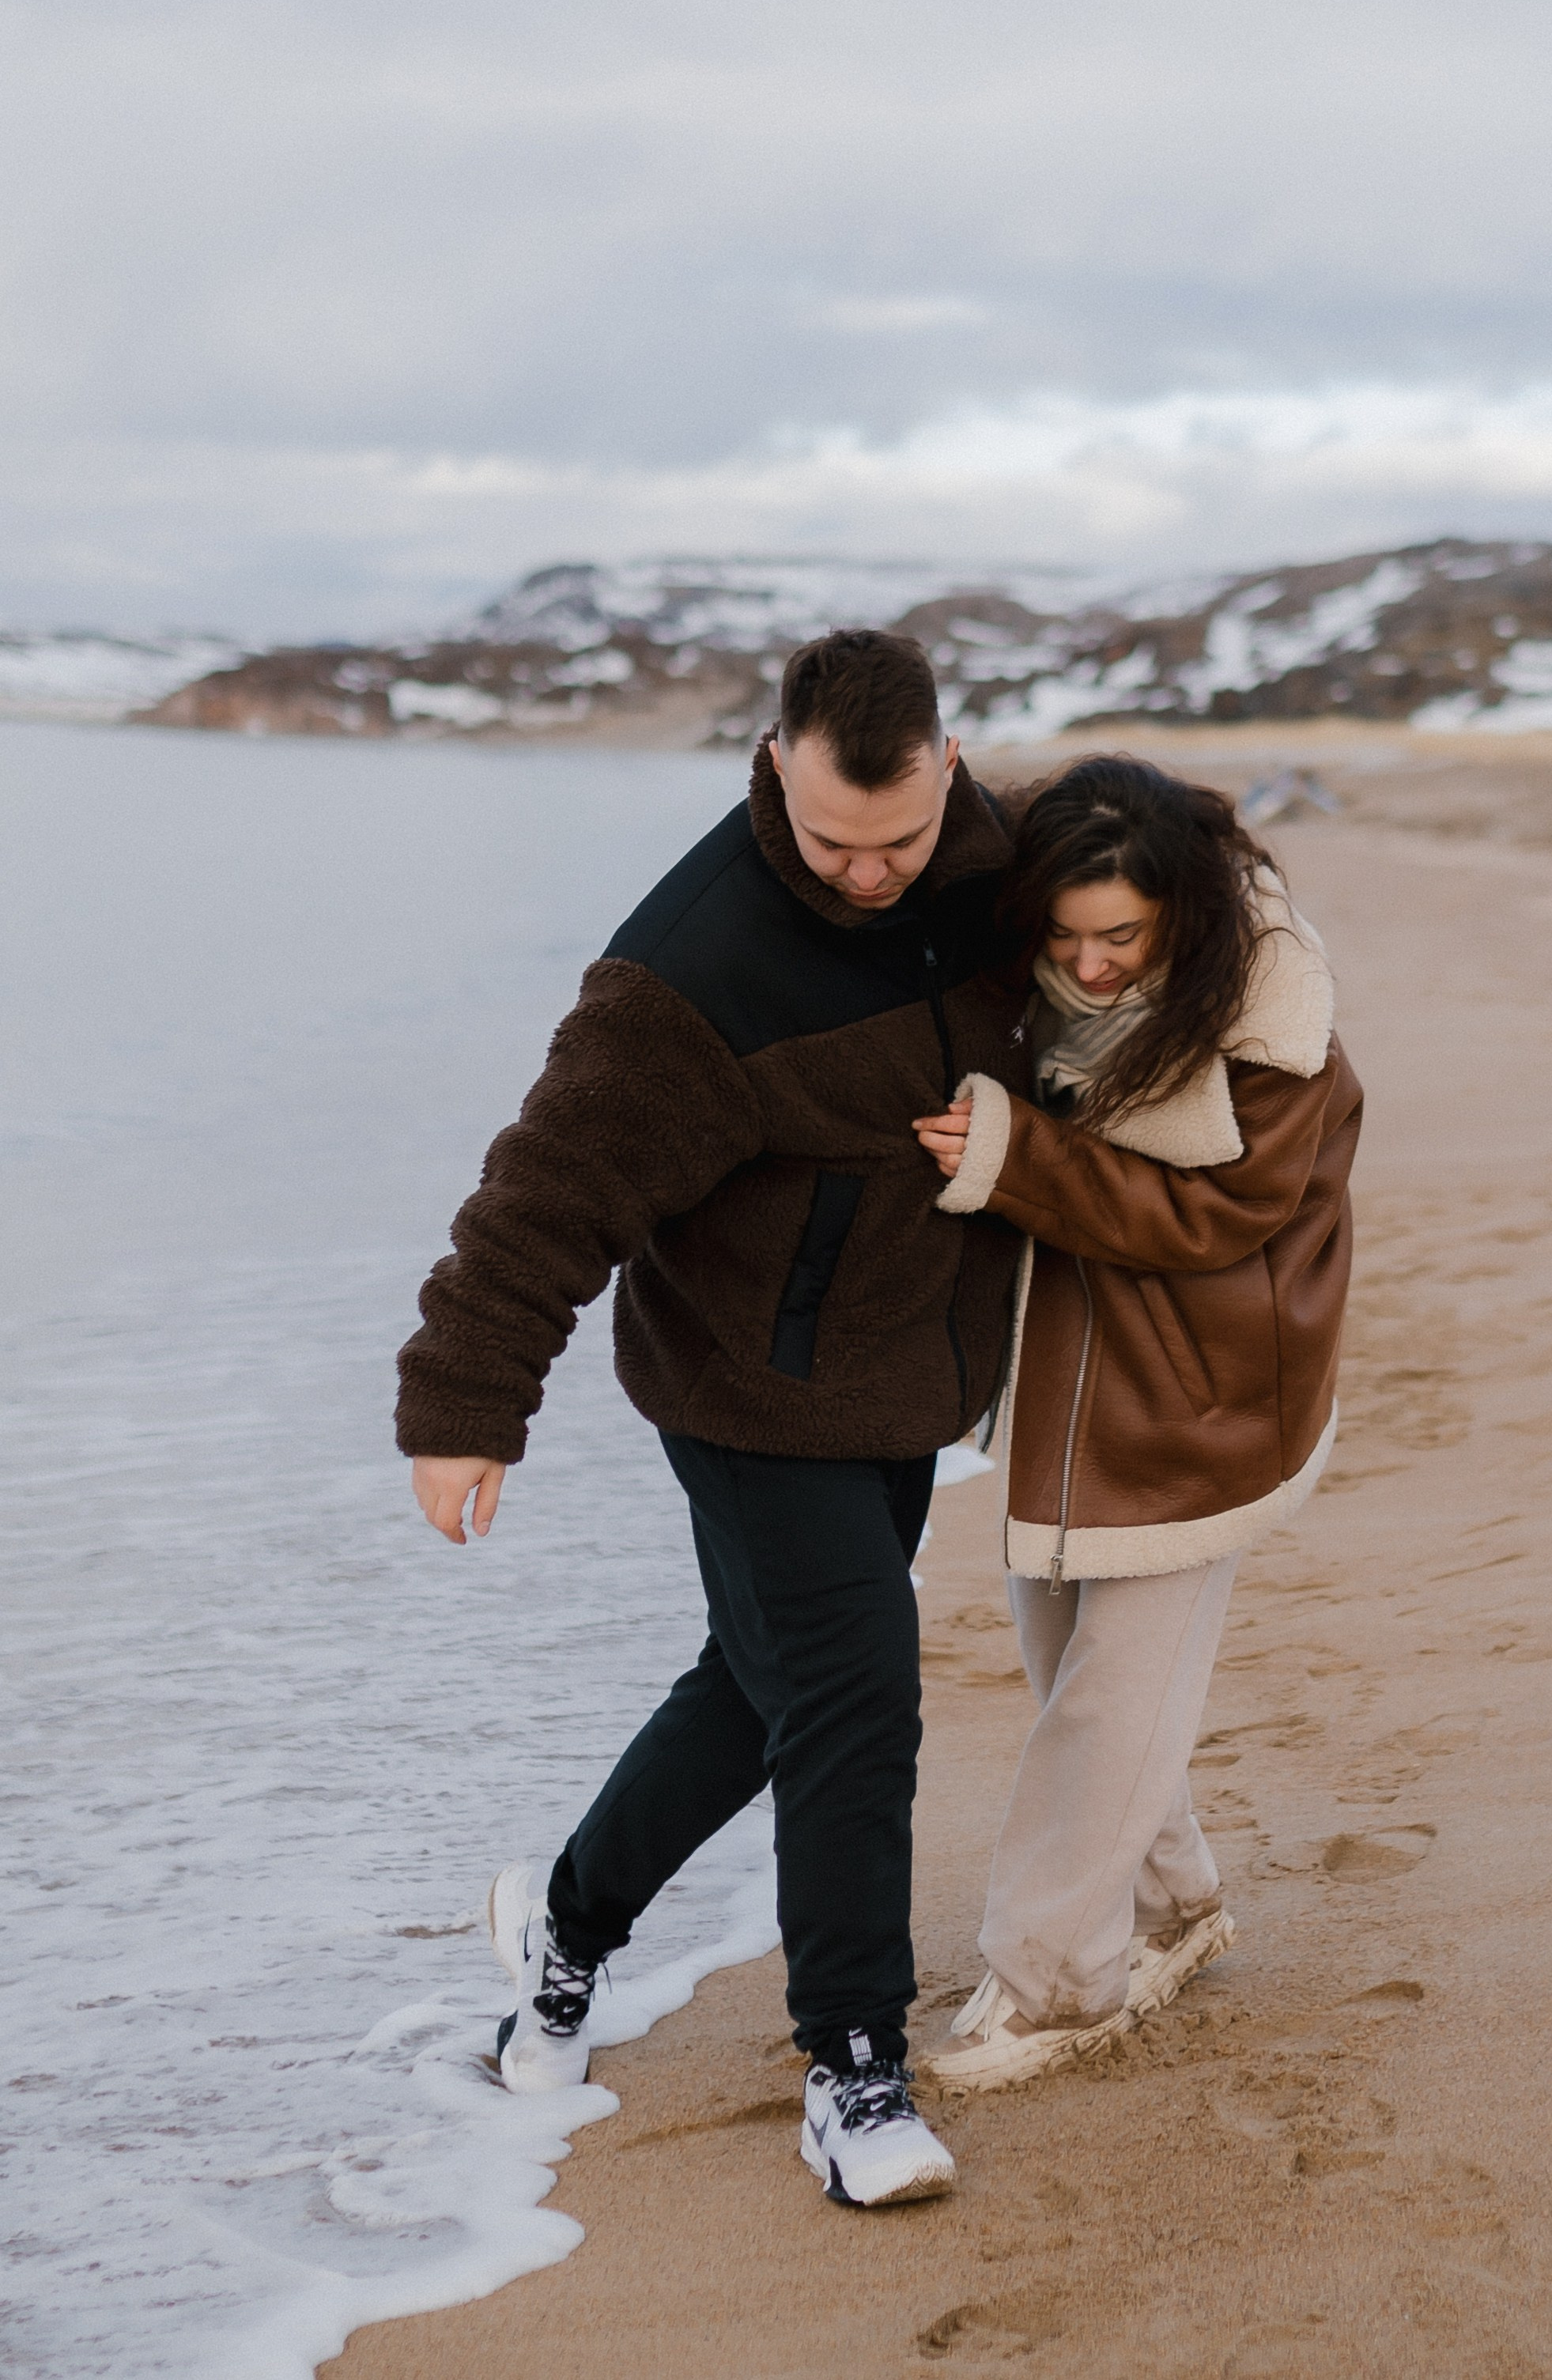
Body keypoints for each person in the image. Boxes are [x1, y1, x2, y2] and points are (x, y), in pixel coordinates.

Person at [397, 629, 1029, 2206]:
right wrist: (467, 1399)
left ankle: (564, 1919)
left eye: (899, 839)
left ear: (949, 770)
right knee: (857, 1689)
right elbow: (547, 1187)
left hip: (897, 1369)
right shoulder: (694, 964)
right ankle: (854, 2070)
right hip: (744, 1381)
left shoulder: (992, 866)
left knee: (763, 1687)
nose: (868, 873)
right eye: (830, 840)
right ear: (771, 769)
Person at [912, 754, 1361, 2089]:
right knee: (1069, 1659)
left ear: (1184, 912)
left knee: (1112, 1694)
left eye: (1119, 936)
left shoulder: (1273, 1016)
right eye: (1062, 935)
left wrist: (1014, 1154)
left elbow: (1216, 1215)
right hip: (1068, 1372)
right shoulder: (1030, 972)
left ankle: (1057, 1982)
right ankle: (1174, 1906)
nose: (1088, 963)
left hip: (1206, 1386)